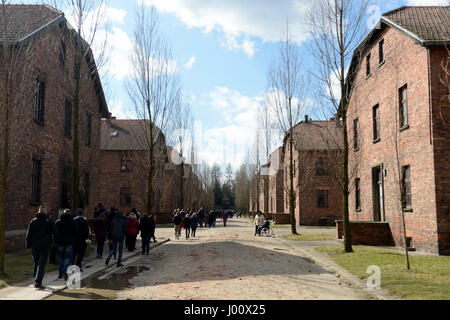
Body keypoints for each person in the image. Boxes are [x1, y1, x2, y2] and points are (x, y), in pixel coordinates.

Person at [26, 205, 55, 289]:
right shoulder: (49, 221)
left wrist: (28, 245)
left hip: (35, 245)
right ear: (45, 211)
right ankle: (38, 282)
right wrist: (55, 242)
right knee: (41, 263)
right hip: (45, 245)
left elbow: (28, 235)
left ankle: (36, 280)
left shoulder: (33, 221)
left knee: (36, 263)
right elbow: (55, 232)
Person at [55, 209, 76, 281]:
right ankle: (64, 270)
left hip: (60, 243)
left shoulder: (58, 222)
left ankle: (60, 275)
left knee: (61, 258)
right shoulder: (72, 222)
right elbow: (75, 232)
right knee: (68, 258)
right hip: (69, 243)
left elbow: (55, 233)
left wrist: (56, 241)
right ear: (70, 213)